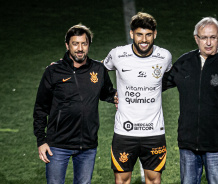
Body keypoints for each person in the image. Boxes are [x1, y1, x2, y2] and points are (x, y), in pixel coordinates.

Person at [162, 17, 218, 184]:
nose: (209, 42)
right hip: (188, 145)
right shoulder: (185, 62)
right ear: (196, 39)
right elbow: (157, 86)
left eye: (213, 37)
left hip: (217, 145)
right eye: (204, 37)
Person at [33, 24, 117, 184]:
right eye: (75, 43)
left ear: (89, 45)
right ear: (67, 45)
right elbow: (40, 108)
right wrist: (41, 140)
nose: (80, 48)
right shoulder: (53, 72)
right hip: (57, 145)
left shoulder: (98, 69)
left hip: (87, 145)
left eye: (84, 43)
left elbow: (106, 93)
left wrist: (117, 97)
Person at [103, 12, 172, 184]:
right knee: (122, 181)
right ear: (131, 34)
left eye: (148, 35)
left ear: (154, 34)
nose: (144, 39)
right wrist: (109, 94)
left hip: (154, 132)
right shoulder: (118, 54)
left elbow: (170, 78)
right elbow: (97, 70)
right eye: (139, 34)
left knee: (154, 180)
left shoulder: (164, 56)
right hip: (124, 132)